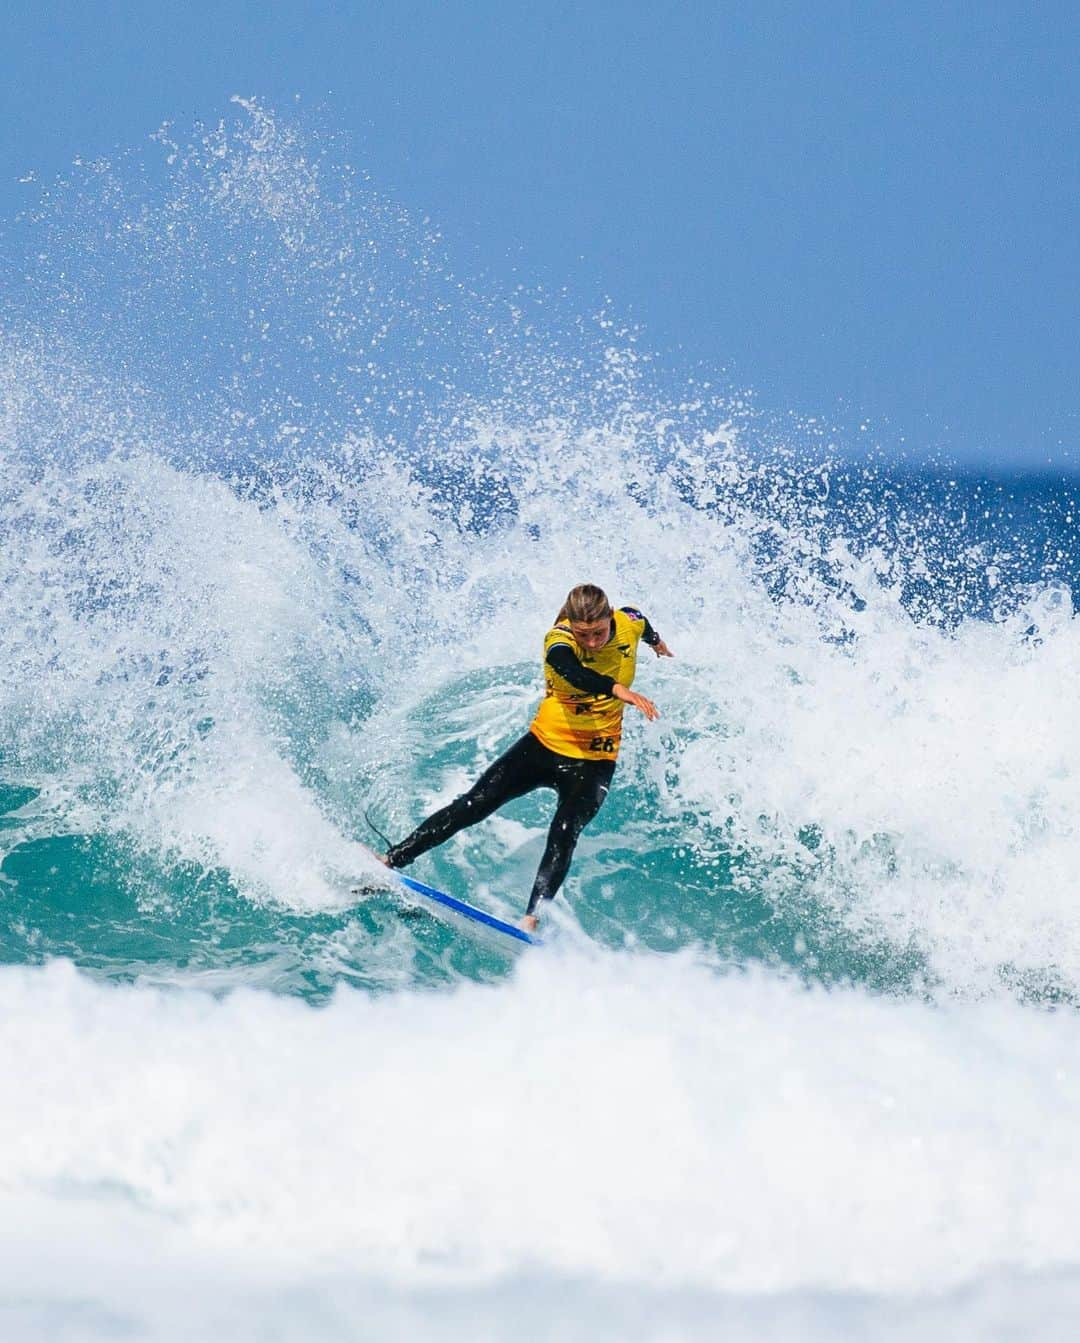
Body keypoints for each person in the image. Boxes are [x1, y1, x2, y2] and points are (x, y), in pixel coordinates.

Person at [380, 583, 673, 932]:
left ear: (610, 618)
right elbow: (571, 670)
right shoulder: (558, 640)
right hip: (543, 746)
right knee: (474, 803)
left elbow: (642, 621)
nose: (592, 642)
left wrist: (656, 643)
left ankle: (530, 920)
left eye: (598, 632)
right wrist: (616, 688)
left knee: (565, 830)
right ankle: (391, 859)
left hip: (596, 759)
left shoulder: (628, 621)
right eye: (584, 635)